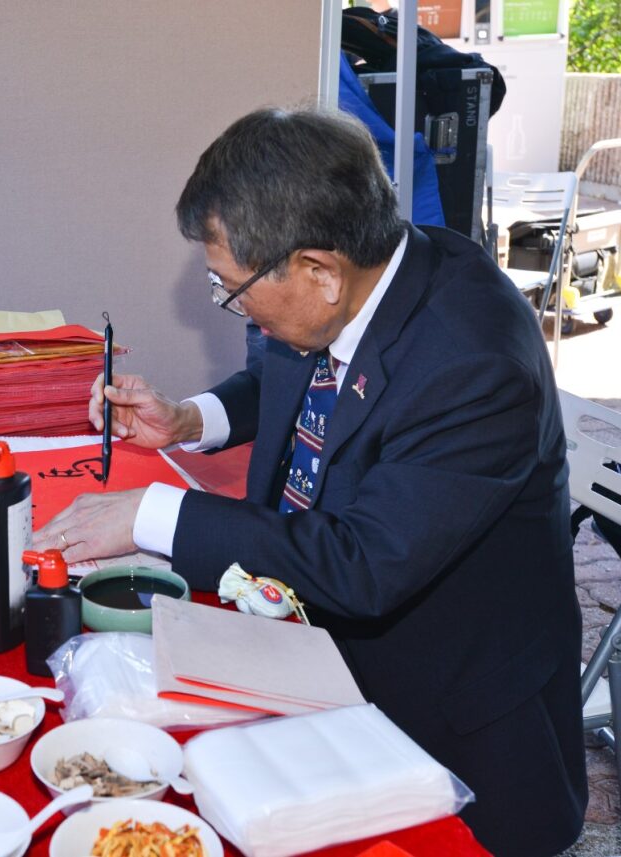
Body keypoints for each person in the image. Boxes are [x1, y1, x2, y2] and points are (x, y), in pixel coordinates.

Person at [35, 109, 586, 856]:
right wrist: (188, 420)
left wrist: (152, 513)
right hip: (309, 637)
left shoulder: (474, 362)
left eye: (229, 288)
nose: (229, 304)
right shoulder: (360, 280)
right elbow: (288, 368)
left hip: (449, 701)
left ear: (320, 269)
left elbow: (364, 563)